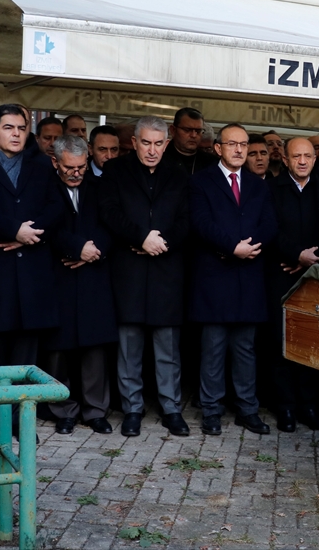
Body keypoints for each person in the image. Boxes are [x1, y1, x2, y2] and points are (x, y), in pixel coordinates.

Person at [0, 104, 64, 443]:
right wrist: (13, 230)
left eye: (21, 128)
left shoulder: (40, 165)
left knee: (25, 354)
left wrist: (31, 232)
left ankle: (19, 422)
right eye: (9, 127)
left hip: (31, 271)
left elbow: (57, 207)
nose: (15, 134)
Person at [99, 116, 191, 438]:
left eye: (158, 143)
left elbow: (187, 219)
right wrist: (141, 238)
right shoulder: (114, 171)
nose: (152, 150)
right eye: (146, 143)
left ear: (167, 144)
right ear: (134, 142)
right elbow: (109, 213)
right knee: (129, 346)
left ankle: (171, 409)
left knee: (168, 348)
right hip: (129, 270)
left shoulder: (179, 175)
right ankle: (132, 409)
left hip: (166, 270)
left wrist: (161, 243)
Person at [190, 123, 276, 437]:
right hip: (215, 275)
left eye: (243, 144)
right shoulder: (201, 182)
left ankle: (247, 410)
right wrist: (231, 247)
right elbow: (200, 223)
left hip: (249, 275)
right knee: (212, 348)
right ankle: (211, 410)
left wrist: (250, 247)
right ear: (218, 148)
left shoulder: (258, 185)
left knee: (245, 349)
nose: (239, 150)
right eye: (232, 144)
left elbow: (269, 223)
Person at [46, 135, 118, 435]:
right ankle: (62, 409)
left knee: (94, 348)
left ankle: (95, 410)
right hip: (58, 275)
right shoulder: (45, 188)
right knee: (58, 350)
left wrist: (93, 251)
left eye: (81, 166)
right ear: (55, 162)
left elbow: (112, 225)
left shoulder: (100, 188)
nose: (76, 173)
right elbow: (47, 227)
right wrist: (77, 249)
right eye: (69, 167)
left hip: (93, 276)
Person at [265, 137, 319, 432]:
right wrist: (295, 255)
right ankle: (286, 408)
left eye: (307, 156)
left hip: (316, 276)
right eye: (296, 156)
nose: (302, 161)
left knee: (312, 343)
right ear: (285, 159)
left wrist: (310, 259)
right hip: (282, 273)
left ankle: (309, 405)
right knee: (281, 343)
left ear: (315, 159)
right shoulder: (270, 190)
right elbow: (268, 230)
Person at [162, 107, 218, 176]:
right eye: (187, 130)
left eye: (198, 131)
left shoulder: (212, 163)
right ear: (173, 130)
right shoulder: (159, 159)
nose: (194, 135)